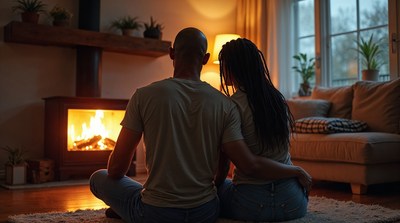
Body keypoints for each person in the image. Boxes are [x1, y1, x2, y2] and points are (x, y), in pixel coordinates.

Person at [89, 28, 311, 223]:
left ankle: (130, 209)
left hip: (159, 213)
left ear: (171, 53)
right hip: (214, 211)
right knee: (219, 188)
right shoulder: (249, 102)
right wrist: (295, 171)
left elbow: (116, 170)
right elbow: (224, 170)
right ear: (205, 59)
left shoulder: (144, 96)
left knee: (99, 177)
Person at [216, 38, 309, 222]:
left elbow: (237, 166)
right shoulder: (276, 100)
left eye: (224, 64)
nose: (222, 69)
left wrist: (213, 190)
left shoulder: (230, 106)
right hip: (293, 203)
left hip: (250, 205)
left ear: (233, 66)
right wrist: (296, 171)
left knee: (219, 188)